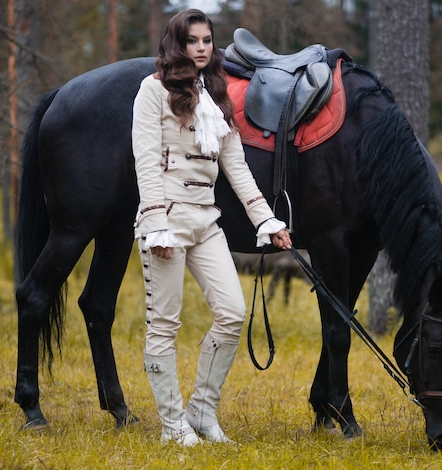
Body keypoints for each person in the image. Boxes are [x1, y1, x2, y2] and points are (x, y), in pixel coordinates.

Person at [131, 9, 292, 446]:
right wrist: (157, 225)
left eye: (208, 40)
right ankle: (171, 425)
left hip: (207, 220)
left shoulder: (216, 98)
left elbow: (237, 167)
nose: (202, 47)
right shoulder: (152, 91)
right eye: (193, 40)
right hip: (166, 218)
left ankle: (201, 411)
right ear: (177, 44)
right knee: (164, 323)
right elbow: (145, 160)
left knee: (233, 313)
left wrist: (267, 220)